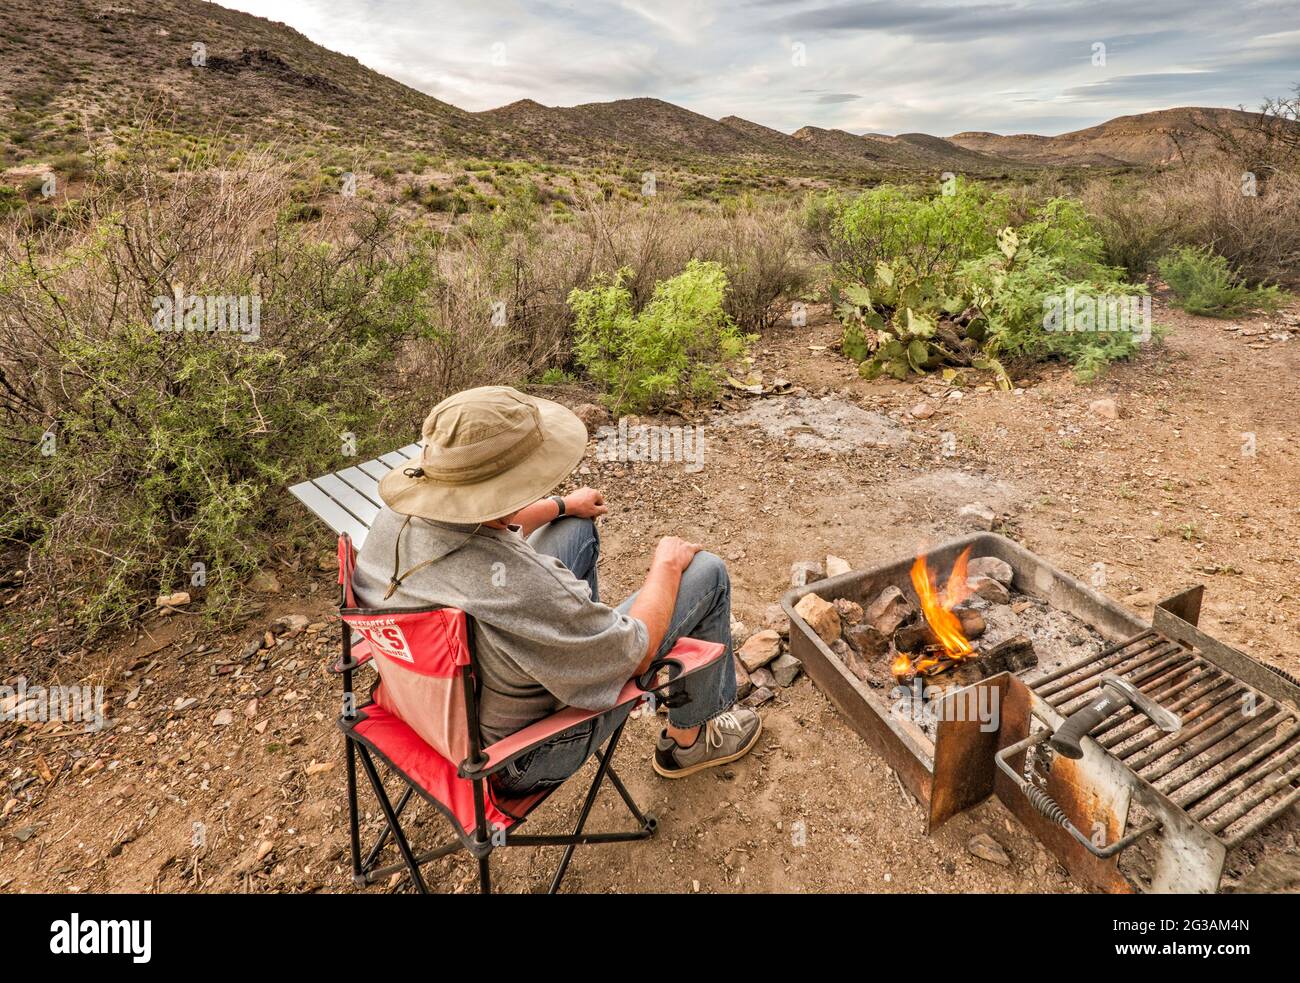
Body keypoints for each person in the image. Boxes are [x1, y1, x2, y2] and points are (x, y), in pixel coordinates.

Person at [352, 385, 761, 794]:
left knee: (574, 528)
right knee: (707, 571)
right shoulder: (524, 586)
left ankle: (579, 643)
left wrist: (562, 506)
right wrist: (666, 567)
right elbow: (636, 651)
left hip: (421, 712)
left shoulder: (395, 519)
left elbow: (477, 534)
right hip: (514, 759)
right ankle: (687, 744)